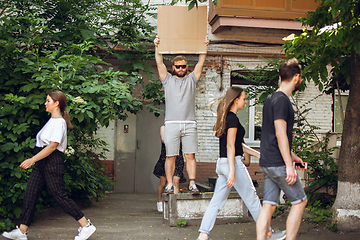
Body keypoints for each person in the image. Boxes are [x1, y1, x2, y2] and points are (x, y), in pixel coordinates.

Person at [2, 90, 96, 240]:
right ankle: (22, 231)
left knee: (60, 196)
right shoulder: (52, 121)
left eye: (48, 101)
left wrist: (32, 159)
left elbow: (52, 146)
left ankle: (86, 226)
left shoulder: (59, 123)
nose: (45, 103)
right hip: (42, 162)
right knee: (30, 195)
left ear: (56, 103)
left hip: (52, 162)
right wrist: (37, 160)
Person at [197, 86, 286, 240]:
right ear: (236, 100)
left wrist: (259, 154)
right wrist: (232, 171)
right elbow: (230, 146)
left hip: (223, 163)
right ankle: (268, 233)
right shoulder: (232, 119)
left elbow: (239, 145)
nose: (245, 101)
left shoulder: (226, 118)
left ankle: (203, 235)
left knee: (216, 202)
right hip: (233, 164)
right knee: (251, 198)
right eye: (244, 98)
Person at [256, 58, 308, 240]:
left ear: (280, 77)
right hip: (278, 164)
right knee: (300, 201)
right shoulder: (282, 101)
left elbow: (272, 136)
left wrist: (293, 157)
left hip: (267, 163)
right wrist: (288, 165)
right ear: (296, 77)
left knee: (269, 205)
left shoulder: (270, 98)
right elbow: (280, 134)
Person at [154, 35, 208, 195]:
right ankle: (170, 184)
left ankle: (192, 184)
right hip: (171, 123)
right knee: (170, 156)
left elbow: (201, 62)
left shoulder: (192, 79)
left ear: (186, 67)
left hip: (189, 123)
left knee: (190, 155)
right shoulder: (167, 80)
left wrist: (204, 45)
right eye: (177, 66)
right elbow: (159, 62)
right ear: (173, 67)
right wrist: (157, 46)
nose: (181, 69)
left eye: (183, 66)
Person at [153, 126, 186, 212]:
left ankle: (174, 205)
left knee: (176, 183)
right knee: (163, 183)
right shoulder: (163, 127)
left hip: (178, 158)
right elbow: (163, 140)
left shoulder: (181, 127)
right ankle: (159, 201)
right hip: (166, 158)